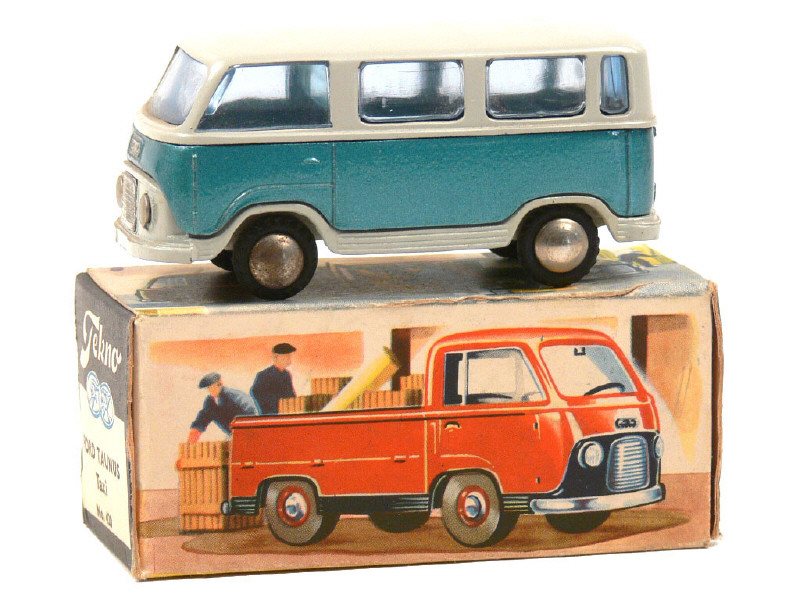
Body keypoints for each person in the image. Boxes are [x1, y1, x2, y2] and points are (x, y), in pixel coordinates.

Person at [187, 373, 257, 443]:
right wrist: (191, 440)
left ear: (220, 384)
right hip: (232, 436)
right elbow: (201, 421)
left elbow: (251, 415)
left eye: (214, 386)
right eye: (209, 387)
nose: (212, 389)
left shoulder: (235, 397)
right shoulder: (210, 402)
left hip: (249, 433)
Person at [251, 343, 297, 414]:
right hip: (270, 414)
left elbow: (291, 394)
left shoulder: (286, 375)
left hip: (286, 412)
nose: (289, 359)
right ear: (277, 357)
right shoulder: (264, 375)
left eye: (289, 356)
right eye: (287, 356)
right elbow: (256, 393)